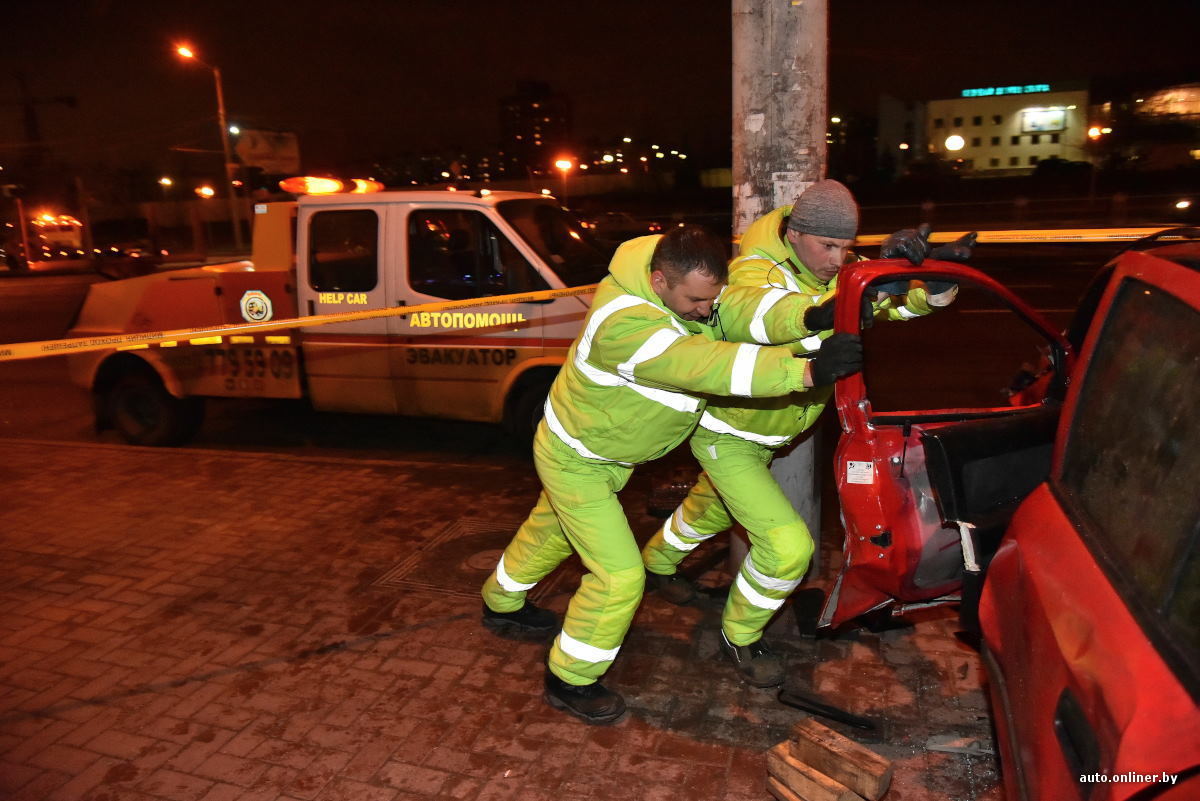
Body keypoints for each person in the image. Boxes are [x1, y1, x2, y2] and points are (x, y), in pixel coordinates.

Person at [479, 225, 862, 724]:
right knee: (619, 577)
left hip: (608, 454)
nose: (707, 311)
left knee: (552, 532)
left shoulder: (688, 289)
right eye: (698, 301)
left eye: (711, 299)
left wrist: (809, 315)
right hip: (576, 459)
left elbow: (739, 312)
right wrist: (804, 373)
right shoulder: (622, 323)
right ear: (660, 282)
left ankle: (500, 600)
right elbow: (700, 362)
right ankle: (570, 678)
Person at [640, 180, 975, 687]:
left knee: (712, 508)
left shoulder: (830, 264)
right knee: (787, 546)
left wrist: (932, 284)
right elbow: (756, 314)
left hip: (775, 432)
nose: (840, 260)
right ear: (796, 233)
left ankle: (656, 562)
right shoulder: (756, 266)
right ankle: (741, 635)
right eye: (829, 246)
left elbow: (892, 308)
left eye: (847, 247)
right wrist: (827, 310)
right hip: (728, 433)